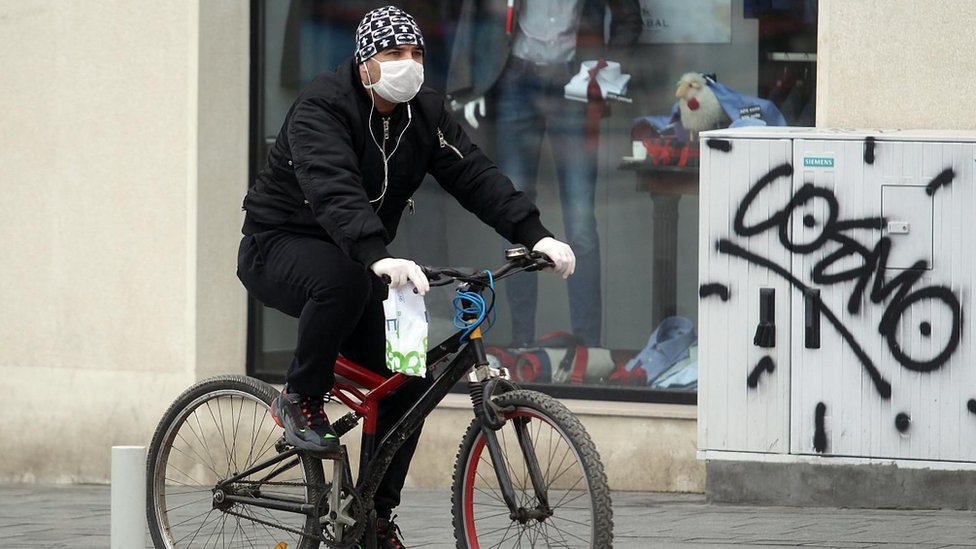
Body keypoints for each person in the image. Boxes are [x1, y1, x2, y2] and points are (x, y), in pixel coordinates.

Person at [236, 5, 575, 548]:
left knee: (409, 375)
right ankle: (299, 397)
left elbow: (476, 176)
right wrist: (376, 252)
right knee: (341, 282)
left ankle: (373, 517)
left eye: (416, 53)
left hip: (360, 256)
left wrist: (535, 233)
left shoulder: (425, 115)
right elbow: (333, 187)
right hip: (278, 245)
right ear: (365, 63)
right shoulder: (322, 107)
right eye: (394, 54)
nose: (408, 64)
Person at [447, 0, 642, 348]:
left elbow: (629, 15)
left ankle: (587, 348)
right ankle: (523, 345)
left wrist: (608, 64)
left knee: (580, 219)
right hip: (516, 78)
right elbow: (475, 13)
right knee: (514, 215)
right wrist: (467, 85)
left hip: (575, 78)